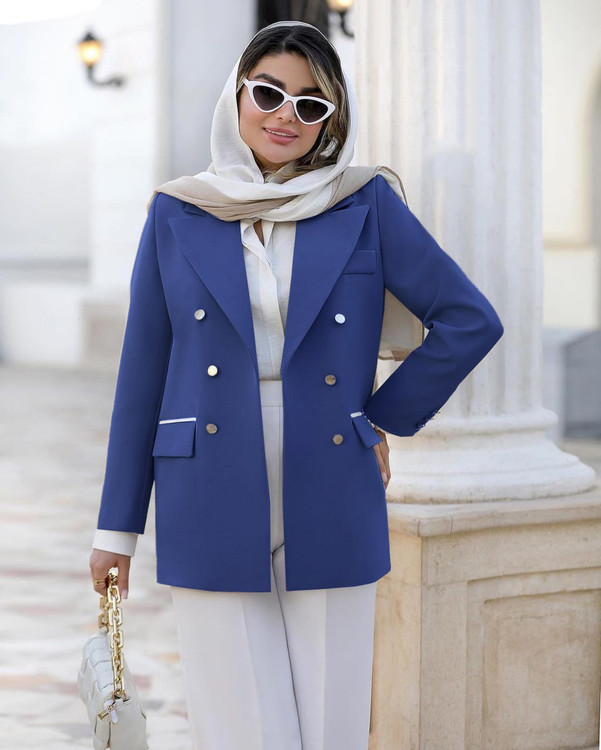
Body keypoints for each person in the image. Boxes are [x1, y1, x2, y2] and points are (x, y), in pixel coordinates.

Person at [89, 20, 504, 750]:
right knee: (241, 726)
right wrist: (115, 530)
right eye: (268, 93)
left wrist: (379, 417)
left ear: (329, 119)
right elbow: (143, 372)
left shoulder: (362, 203)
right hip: (207, 480)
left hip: (332, 472)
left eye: (310, 104)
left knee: (331, 722)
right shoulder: (178, 210)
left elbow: (469, 319)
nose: (286, 115)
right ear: (236, 95)